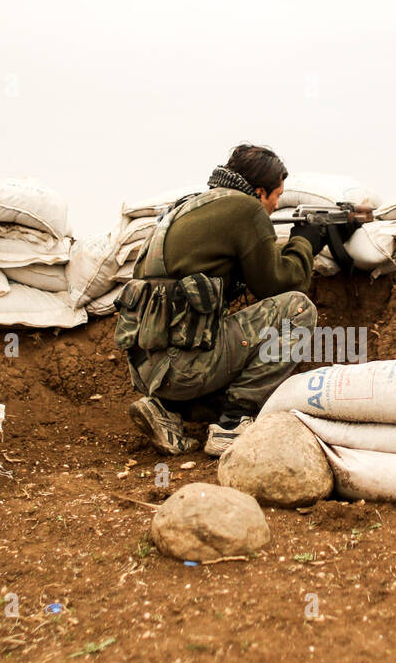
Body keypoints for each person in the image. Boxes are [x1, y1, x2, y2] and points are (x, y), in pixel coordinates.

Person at [116, 144, 335, 457]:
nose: (275, 206)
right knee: (297, 310)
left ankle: (166, 409)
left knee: (217, 338)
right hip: (183, 367)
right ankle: (233, 422)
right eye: (276, 196)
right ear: (260, 191)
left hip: (147, 369)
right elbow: (279, 286)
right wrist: (305, 243)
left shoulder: (186, 207)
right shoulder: (246, 210)